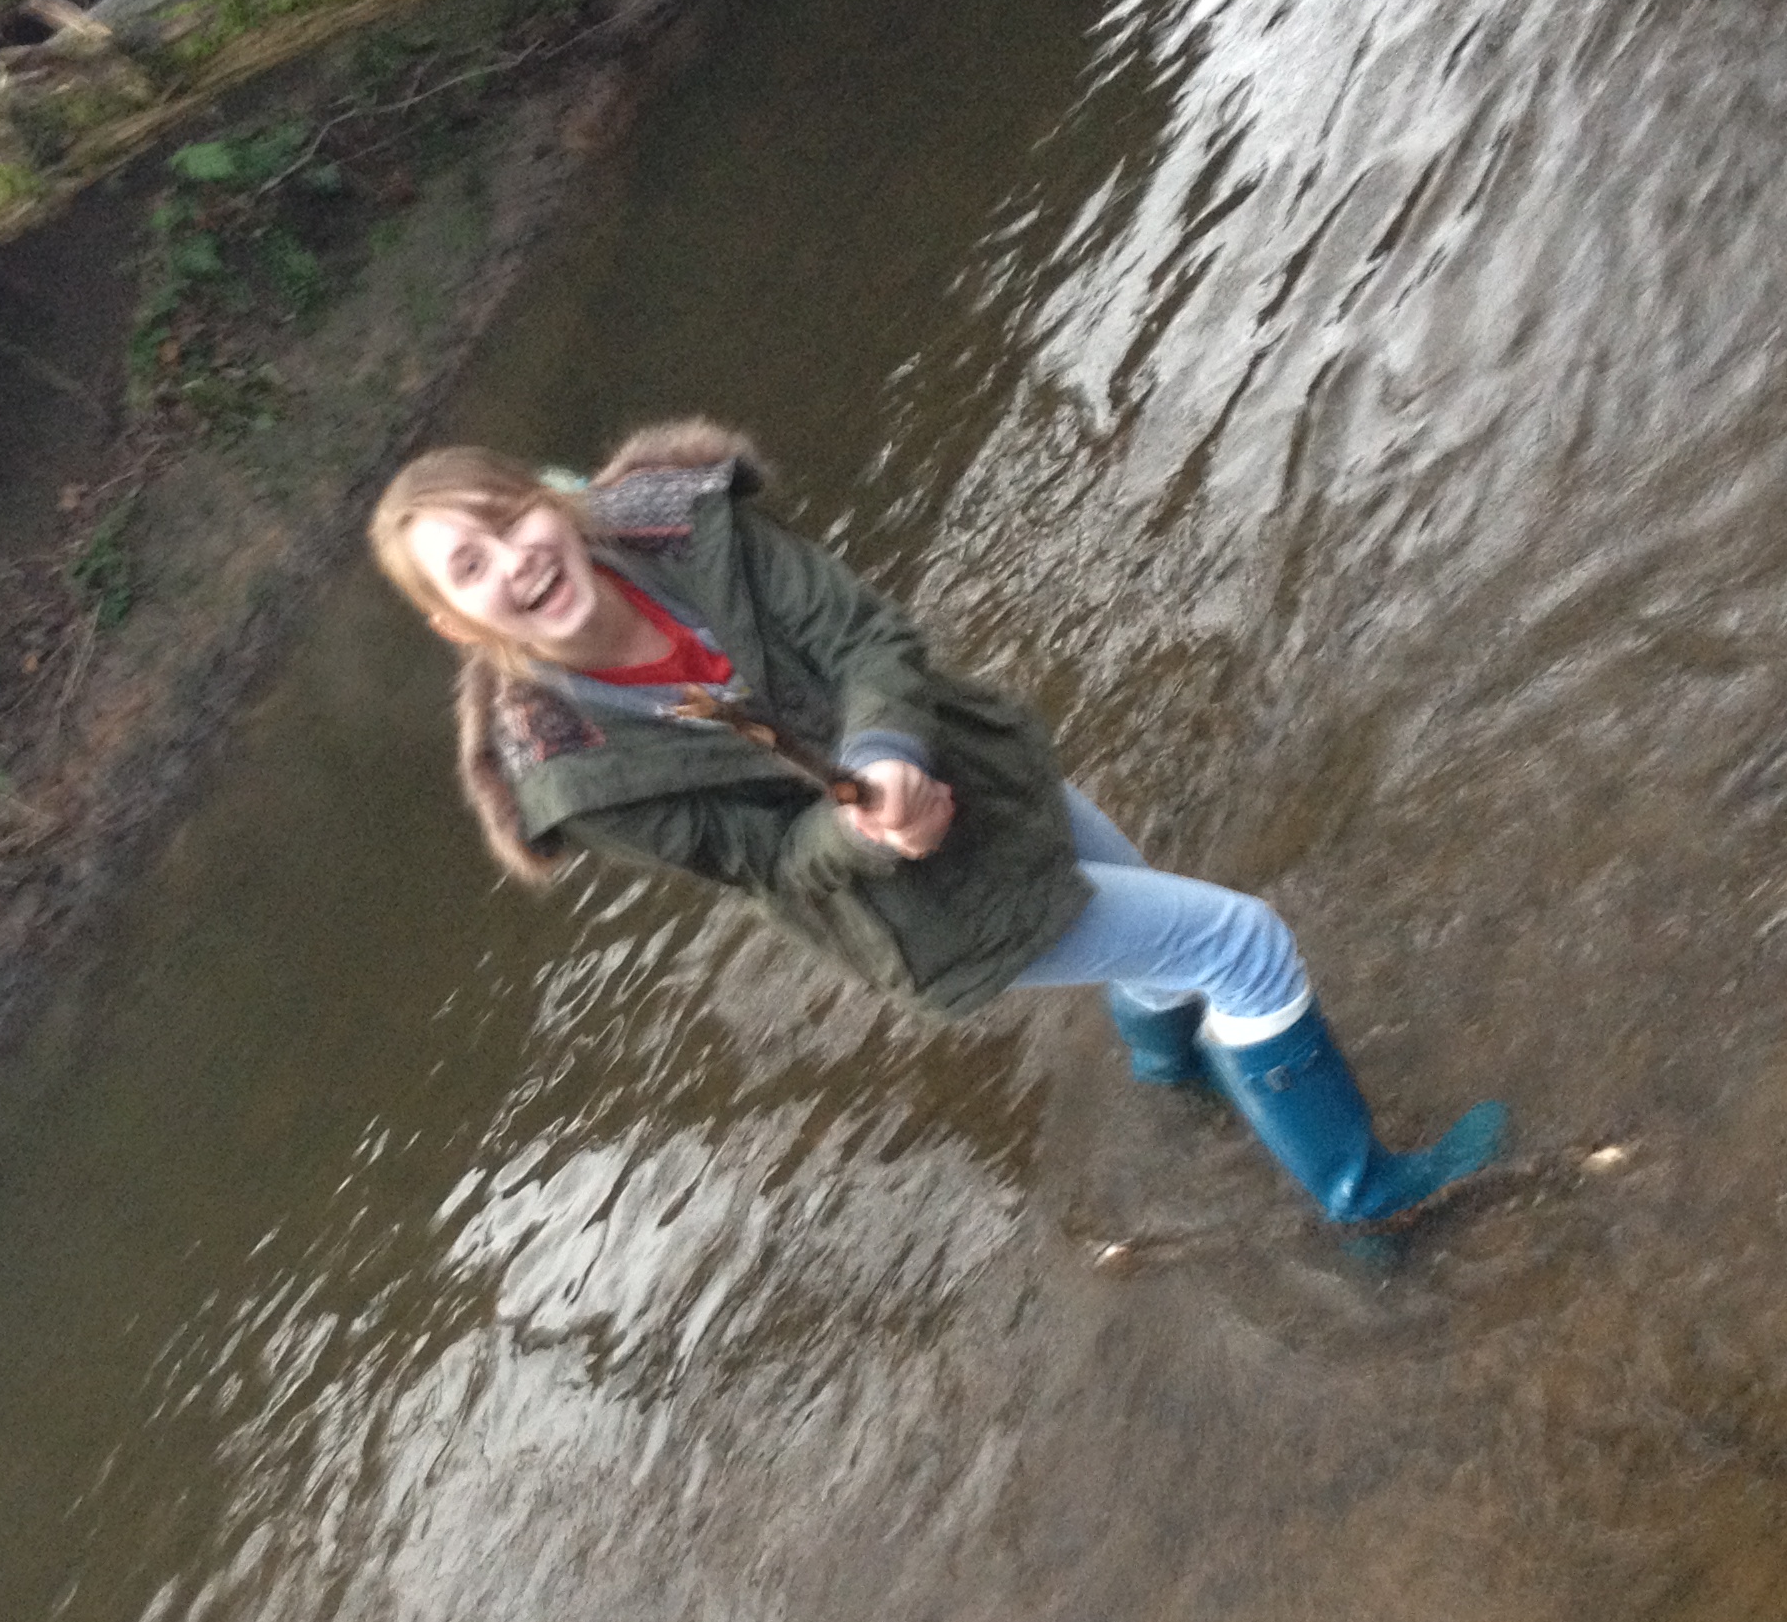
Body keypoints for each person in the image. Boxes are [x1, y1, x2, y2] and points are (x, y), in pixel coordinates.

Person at [368, 418, 1506, 1258]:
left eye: (509, 521)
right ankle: (1374, 1205)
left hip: (977, 768)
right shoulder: (572, 772)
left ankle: (1176, 1071)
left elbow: (864, 636)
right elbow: (764, 865)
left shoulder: (686, 524)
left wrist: (885, 754)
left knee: (1143, 914)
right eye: (469, 568)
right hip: (923, 902)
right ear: (452, 621)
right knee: (1241, 945)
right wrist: (867, 831)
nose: (513, 562)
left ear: (550, 501)